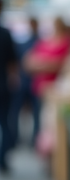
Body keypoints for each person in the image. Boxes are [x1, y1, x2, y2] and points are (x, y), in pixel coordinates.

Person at [10, 17, 40, 148]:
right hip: (23, 82)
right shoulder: (25, 42)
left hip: (34, 83)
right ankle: (14, 138)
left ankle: (35, 139)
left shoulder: (40, 43)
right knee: (16, 112)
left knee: (36, 113)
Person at [0, 0, 17, 175]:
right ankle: (2, 160)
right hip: (3, 85)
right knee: (5, 123)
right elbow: (13, 63)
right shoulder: (5, 33)